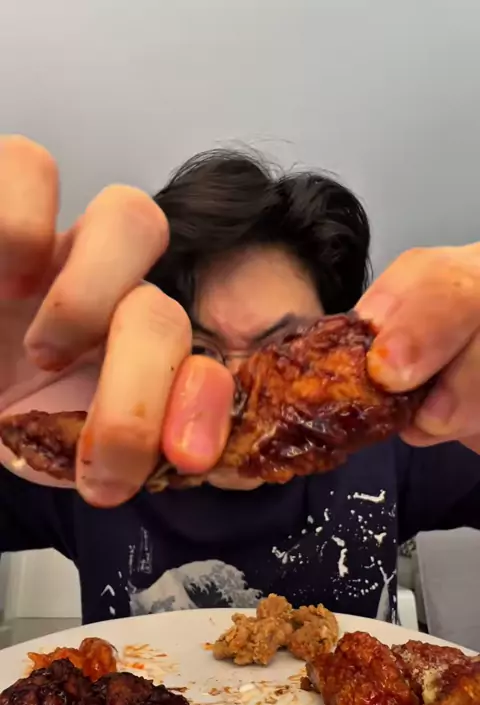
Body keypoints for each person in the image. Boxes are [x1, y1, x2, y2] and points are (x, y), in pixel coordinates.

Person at [0, 135, 479, 625]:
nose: (229, 390)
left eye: (283, 354)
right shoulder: (97, 459)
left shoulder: (393, 448)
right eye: (198, 352)